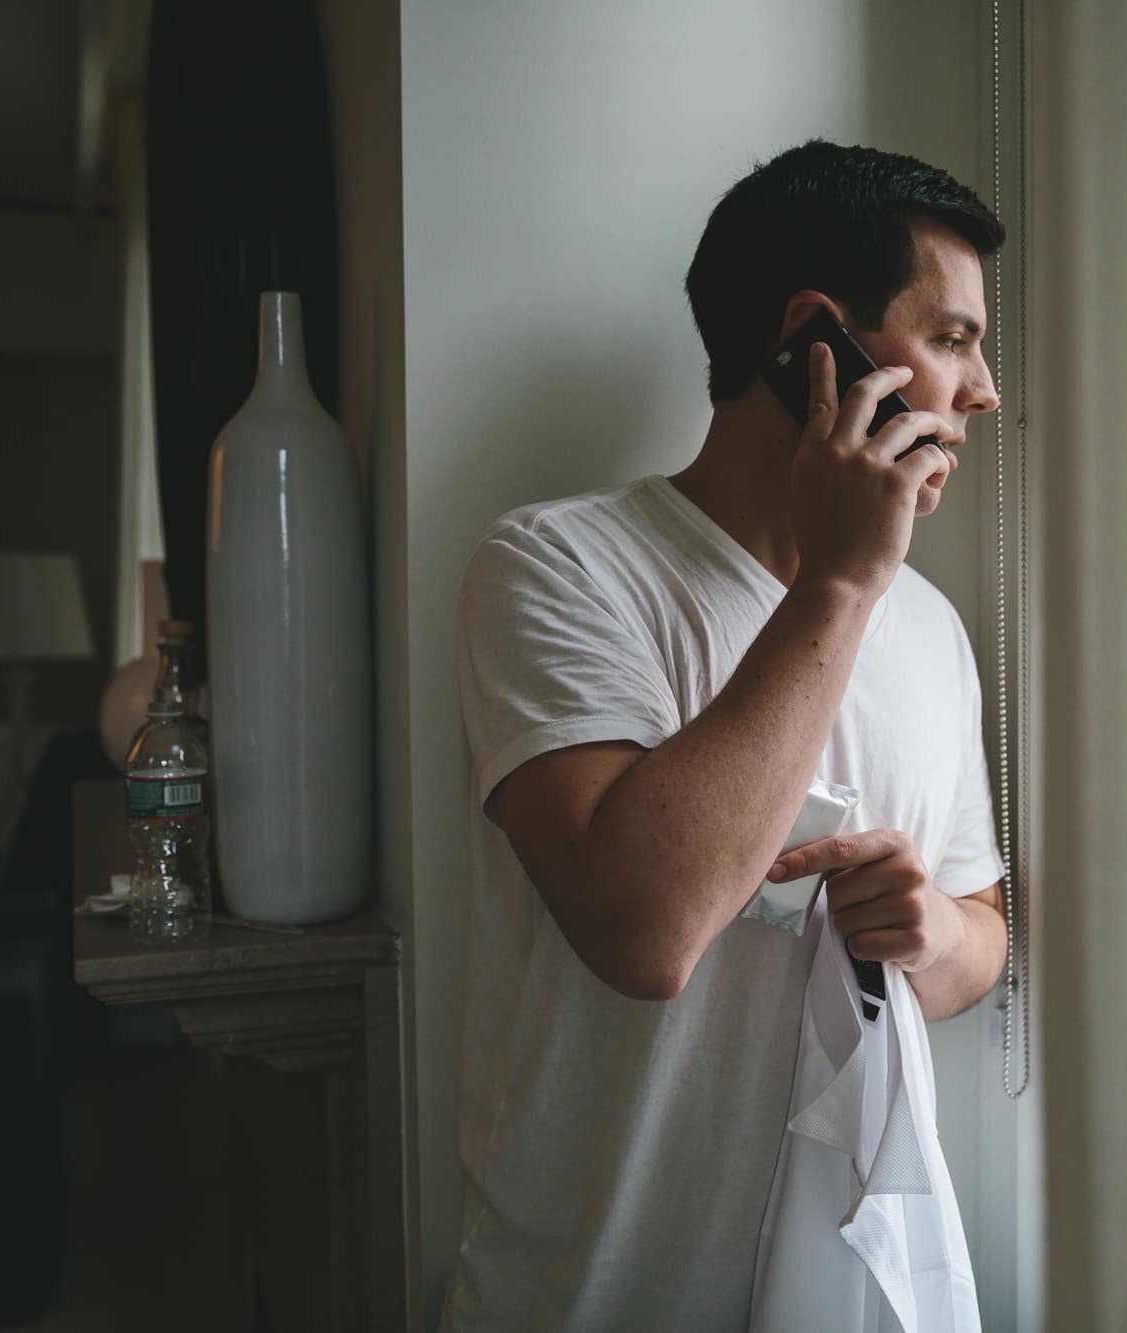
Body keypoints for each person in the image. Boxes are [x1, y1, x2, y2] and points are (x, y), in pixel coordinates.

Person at [444, 139, 1009, 1332]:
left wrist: (932, 928)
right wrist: (840, 587)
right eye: (951, 338)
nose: (983, 390)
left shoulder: (933, 626)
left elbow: (981, 942)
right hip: (596, 1294)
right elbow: (642, 932)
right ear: (819, 342)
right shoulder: (556, 568)